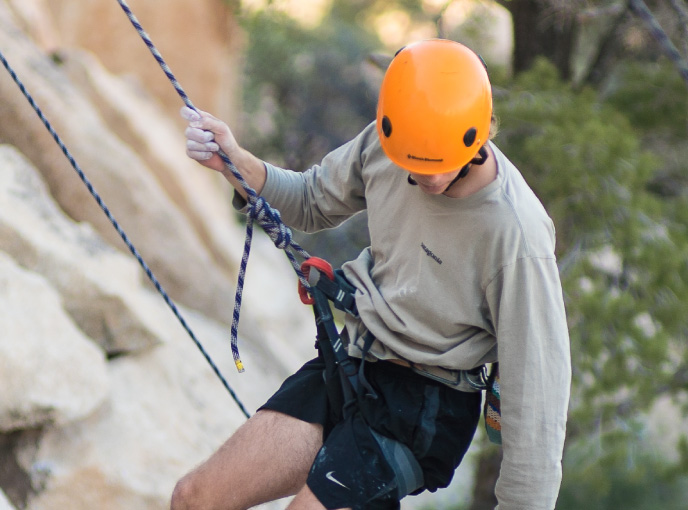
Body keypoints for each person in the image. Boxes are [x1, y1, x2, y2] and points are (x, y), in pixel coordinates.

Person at [170, 39, 570, 510]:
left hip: (428, 406)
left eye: (440, 166)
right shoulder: (387, 144)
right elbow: (311, 199)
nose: (430, 181)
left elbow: (538, 400)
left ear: (479, 134)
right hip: (354, 363)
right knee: (194, 498)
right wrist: (236, 163)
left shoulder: (516, 233)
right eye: (414, 166)